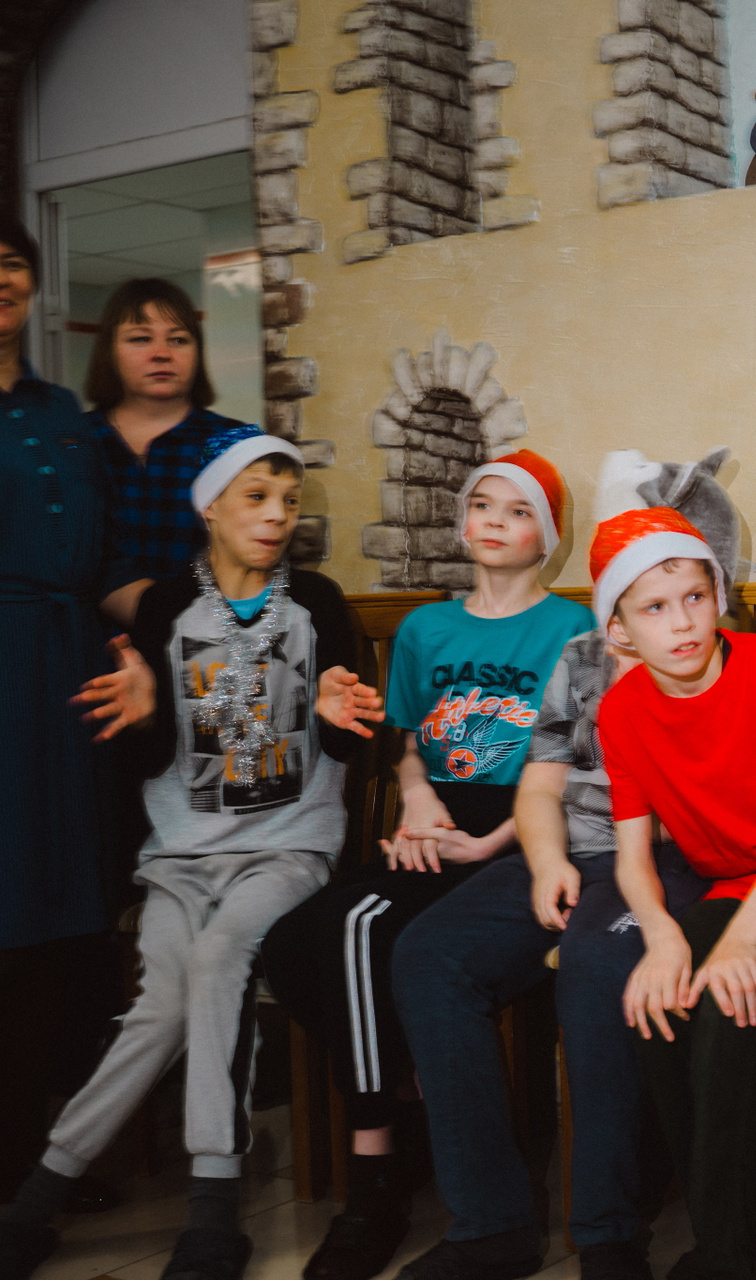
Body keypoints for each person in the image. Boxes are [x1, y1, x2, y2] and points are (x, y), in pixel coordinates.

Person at [0, 425, 384, 1280]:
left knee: (218, 963)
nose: (277, 515)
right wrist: (142, 717)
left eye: (290, 501)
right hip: (181, 856)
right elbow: (146, 764)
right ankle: (37, 1203)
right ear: (210, 507)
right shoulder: (167, 606)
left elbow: (346, 746)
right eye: (257, 497)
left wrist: (334, 713)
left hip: (287, 850)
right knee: (161, 1005)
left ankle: (213, 1213)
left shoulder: (317, 603)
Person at [260, 452, 590, 1280]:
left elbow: (571, 771)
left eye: (518, 511)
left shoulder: (570, 630)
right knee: (293, 942)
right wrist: (414, 798)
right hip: (432, 825)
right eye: (482, 504)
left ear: (548, 536)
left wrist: (492, 841)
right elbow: (411, 744)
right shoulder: (424, 630)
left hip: (518, 827)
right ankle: (405, 1103)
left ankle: (375, 1171)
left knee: (358, 928)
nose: (494, 521)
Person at [385, 461, 712, 1280]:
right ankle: (491, 1223)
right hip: (574, 852)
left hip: (667, 863)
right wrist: (543, 864)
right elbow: (539, 786)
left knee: (597, 964)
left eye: (680, 593)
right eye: (634, 597)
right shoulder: (579, 658)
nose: (666, 615)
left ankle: (607, 1233)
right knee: (430, 954)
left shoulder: (714, 658)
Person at [593, 506, 756, 1280]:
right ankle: (721, 1234)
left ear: (718, 595)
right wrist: (663, 936)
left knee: (730, 1006)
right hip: (732, 887)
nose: (682, 623)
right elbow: (632, 856)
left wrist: (738, 941)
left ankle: (738, 1259)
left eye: (695, 597)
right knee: (657, 1004)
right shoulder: (621, 711)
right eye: (654, 608)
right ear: (620, 630)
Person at [0, 216, 130, 1205]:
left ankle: (70, 1148)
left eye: (12, 263)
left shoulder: (64, 415)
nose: (0, 279)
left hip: (74, 666)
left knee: (80, 898)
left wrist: (146, 646)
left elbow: (112, 554)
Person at [85, 277, 248, 629]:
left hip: (210, 639)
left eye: (178, 339)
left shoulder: (236, 444)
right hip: (86, 646)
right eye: (140, 339)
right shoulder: (72, 441)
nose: (161, 353)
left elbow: (255, 559)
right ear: (110, 350)